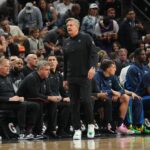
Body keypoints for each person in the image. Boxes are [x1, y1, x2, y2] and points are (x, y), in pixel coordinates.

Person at [63, 18, 98, 140]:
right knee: (74, 104)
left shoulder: (86, 38)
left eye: (71, 25)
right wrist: (65, 78)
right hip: (71, 77)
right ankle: (77, 128)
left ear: (77, 27)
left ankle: (90, 125)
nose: (69, 27)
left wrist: (93, 67)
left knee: (86, 100)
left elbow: (94, 54)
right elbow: (65, 61)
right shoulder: (66, 41)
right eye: (67, 25)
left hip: (84, 76)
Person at [17, 60, 62, 138]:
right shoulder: (31, 78)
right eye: (47, 70)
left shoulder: (45, 78)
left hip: (38, 99)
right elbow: (34, 94)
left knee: (53, 103)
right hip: (25, 99)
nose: (49, 72)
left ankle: (51, 130)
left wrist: (54, 97)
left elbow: (48, 92)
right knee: (39, 103)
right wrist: (49, 97)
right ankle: (37, 131)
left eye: (49, 70)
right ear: (40, 69)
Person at [0, 58, 40, 140]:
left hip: (12, 102)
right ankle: (22, 132)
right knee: (22, 105)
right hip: (3, 103)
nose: (9, 68)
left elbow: (14, 93)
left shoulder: (8, 78)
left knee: (35, 105)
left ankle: (29, 130)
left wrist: (18, 97)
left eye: (9, 66)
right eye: (6, 66)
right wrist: (9, 99)